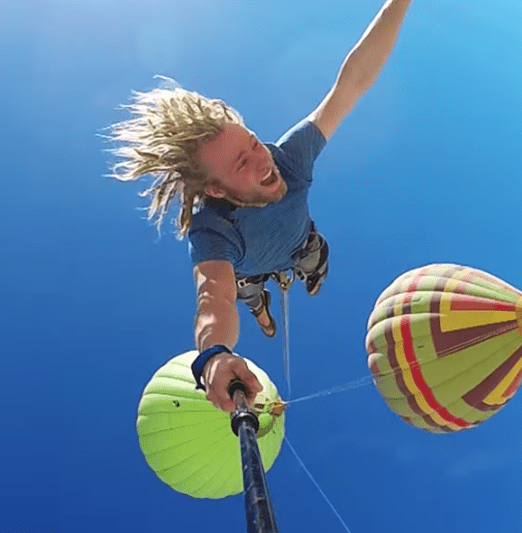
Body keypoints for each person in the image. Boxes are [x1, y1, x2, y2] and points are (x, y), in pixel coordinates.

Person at [110, 0, 413, 412]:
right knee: (244, 293)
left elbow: (351, 83)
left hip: (298, 242)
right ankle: (259, 307)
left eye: (253, 143)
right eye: (242, 163)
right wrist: (214, 355)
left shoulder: (290, 156)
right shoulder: (211, 230)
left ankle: (289, 283)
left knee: (312, 263)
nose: (263, 160)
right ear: (216, 191)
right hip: (245, 270)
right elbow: (213, 298)